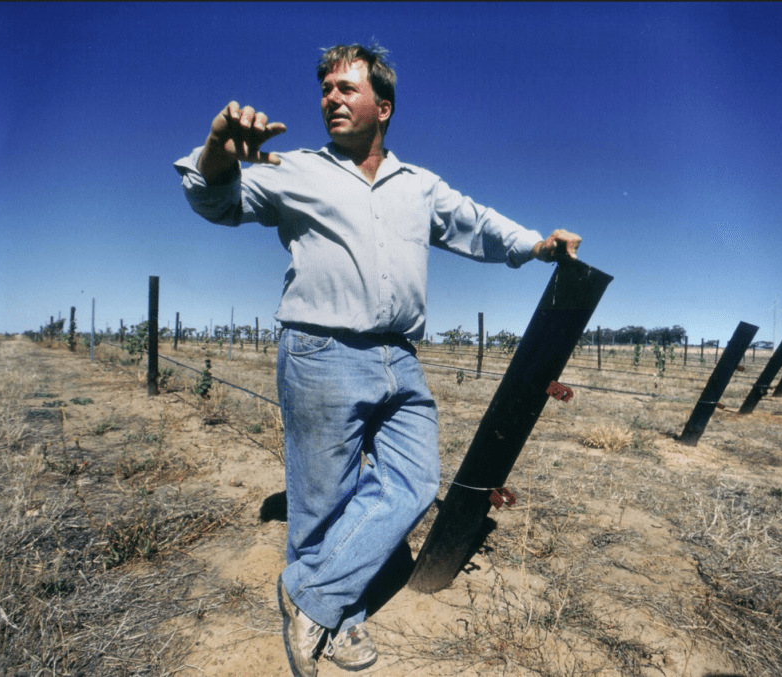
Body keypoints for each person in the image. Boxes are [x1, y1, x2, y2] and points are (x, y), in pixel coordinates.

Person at [174, 43, 581, 676]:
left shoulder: (417, 185)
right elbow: (215, 200)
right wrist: (219, 143)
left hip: (401, 358)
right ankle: (340, 622)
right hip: (321, 350)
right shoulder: (296, 168)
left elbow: (475, 225)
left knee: (415, 480)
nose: (329, 98)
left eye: (345, 88)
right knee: (322, 501)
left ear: (382, 107)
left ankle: (306, 594)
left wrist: (535, 243)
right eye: (325, 89)